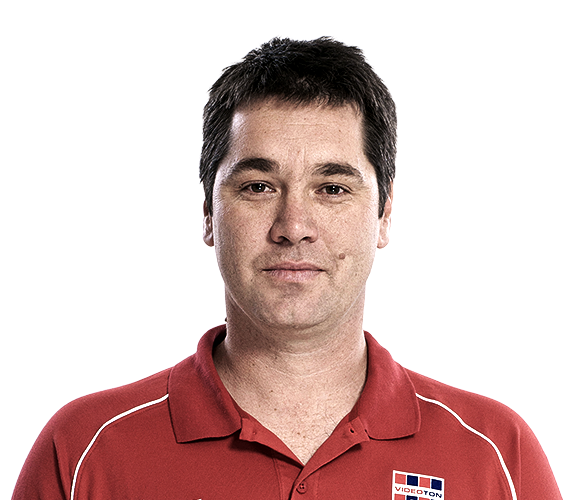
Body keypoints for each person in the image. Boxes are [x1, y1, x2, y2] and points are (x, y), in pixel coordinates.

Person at [12, 36, 562, 500]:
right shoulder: (83, 451)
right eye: (258, 186)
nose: (293, 225)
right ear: (208, 214)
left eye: (332, 188)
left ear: (384, 214)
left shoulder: (497, 454)